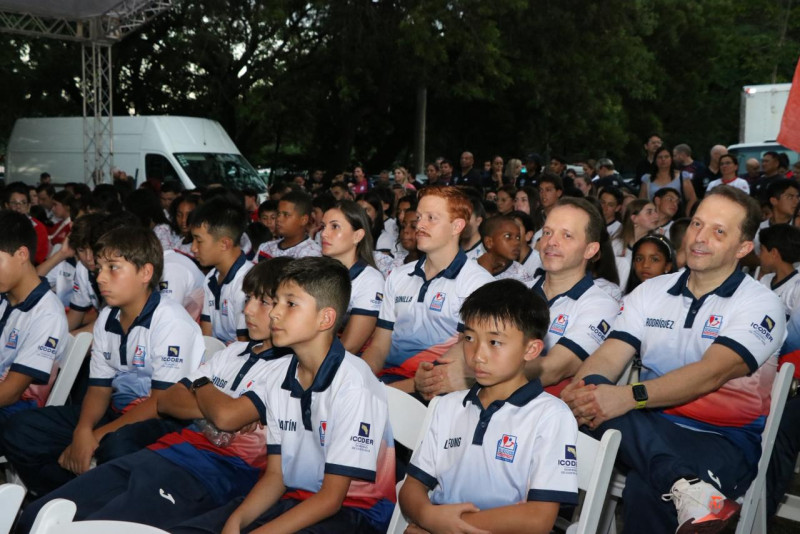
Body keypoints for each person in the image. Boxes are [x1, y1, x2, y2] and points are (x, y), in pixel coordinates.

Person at [562, 185, 786, 534]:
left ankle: (680, 484)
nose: (699, 238)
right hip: (648, 422)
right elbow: (609, 354)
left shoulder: (760, 304)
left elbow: (710, 374)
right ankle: (686, 485)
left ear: (743, 247)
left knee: (645, 486)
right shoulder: (651, 292)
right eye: (697, 224)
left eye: (719, 231)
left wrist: (628, 396)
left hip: (722, 437)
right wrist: (581, 387)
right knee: (587, 390)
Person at [15, 258, 294, 533]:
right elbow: (169, 400)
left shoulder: (290, 368)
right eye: (247, 299)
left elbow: (226, 416)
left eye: (262, 302)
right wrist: (212, 398)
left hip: (214, 474)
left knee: (93, 527)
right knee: (40, 514)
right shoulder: (233, 351)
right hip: (167, 451)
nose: (247, 310)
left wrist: (202, 390)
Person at [171, 257, 396, 534]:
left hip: (357, 513)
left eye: (290, 304)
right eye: (276, 302)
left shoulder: (354, 384)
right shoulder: (280, 376)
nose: (275, 313)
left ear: (325, 318)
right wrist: (236, 521)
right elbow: (277, 475)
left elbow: (331, 499)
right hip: (295, 497)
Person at [2, 226, 205, 497]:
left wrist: (96, 436)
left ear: (145, 273)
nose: (101, 278)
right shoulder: (108, 318)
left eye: (113, 268)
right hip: (118, 413)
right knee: (21, 429)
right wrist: (83, 432)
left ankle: (95, 502)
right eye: (99, 269)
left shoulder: (171, 322)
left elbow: (160, 404)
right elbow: (98, 388)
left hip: (164, 420)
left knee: (117, 445)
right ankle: (64, 497)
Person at [399, 279, 577, 534]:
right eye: (470, 338)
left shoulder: (550, 416)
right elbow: (411, 488)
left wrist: (444, 527)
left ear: (532, 349)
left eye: (494, 342)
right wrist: (428, 515)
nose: (477, 354)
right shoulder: (447, 406)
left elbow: (538, 519)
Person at [362, 186, 494, 391]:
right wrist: (361, 379)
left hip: (433, 390)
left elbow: (458, 360)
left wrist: (383, 392)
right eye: (420, 217)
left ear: (457, 226)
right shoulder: (398, 276)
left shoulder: (477, 283)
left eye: (431, 218)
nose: (420, 224)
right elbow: (379, 346)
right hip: (388, 381)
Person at [0, 211, 68, 430]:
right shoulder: (5, 298)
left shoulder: (46, 314)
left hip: (16, 410)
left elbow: (11, 393)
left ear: (21, 254)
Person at [320, 201, 384, 354]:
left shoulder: (370, 280)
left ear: (357, 236)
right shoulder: (318, 272)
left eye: (334, 227)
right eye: (323, 226)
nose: (323, 234)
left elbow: (349, 347)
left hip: (345, 364)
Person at [192, 198, 253, 344]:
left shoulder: (247, 282)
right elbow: (207, 334)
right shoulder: (212, 277)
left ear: (224, 243)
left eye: (198, 241)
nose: (193, 248)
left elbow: (244, 345)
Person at [257, 191, 322, 261]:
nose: (278, 219)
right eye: (278, 214)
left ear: (303, 220)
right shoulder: (266, 248)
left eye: (286, 215)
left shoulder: (312, 254)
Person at [639, 146, 698, 216]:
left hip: (677, 218)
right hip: (654, 219)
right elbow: (641, 202)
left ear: (671, 159)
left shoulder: (682, 177)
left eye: (666, 157)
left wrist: (686, 215)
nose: (663, 159)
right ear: (655, 160)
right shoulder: (647, 180)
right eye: (660, 157)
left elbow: (692, 198)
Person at [758, 224, 800, 318]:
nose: (759, 256)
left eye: (761, 250)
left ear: (774, 253)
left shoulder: (797, 287)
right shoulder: (765, 280)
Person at [475, 215, 531, 283]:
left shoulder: (520, 275)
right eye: (508, 236)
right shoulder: (473, 268)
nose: (516, 242)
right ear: (489, 242)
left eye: (518, 237)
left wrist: (487, 272)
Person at [4, 182, 49, 264]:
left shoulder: (38, 228)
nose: (18, 207)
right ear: (7, 205)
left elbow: (38, 259)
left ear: (29, 206)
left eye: (23, 203)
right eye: (14, 203)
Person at [753, 179, 800, 255]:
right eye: (790, 197)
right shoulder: (759, 229)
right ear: (774, 201)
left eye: (797, 197)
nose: (796, 201)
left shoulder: (798, 226)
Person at [460, 191, 486, 261]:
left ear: (478, 221)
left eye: (467, 218)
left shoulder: (485, 252)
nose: (462, 223)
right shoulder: (451, 247)